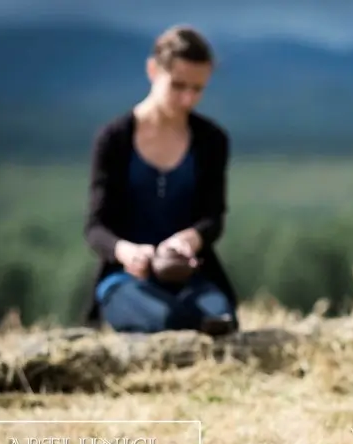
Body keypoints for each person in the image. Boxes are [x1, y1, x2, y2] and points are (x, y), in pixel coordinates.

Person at [82, 25, 239, 336]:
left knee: (220, 320)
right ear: (153, 70)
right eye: (178, 86)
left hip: (193, 276)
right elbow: (95, 229)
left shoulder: (212, 140)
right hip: (125, 280)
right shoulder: (114, 139)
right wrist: (127, 252)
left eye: (197, 89)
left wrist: (189, 240)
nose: (187, 99)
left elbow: (213, 218)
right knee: (168, 322)